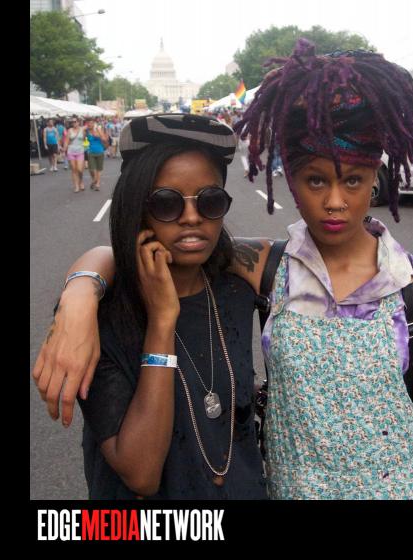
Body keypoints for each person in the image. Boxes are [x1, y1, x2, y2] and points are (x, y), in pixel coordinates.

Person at [33, 40, 413, 500]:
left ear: (375, 178)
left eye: (353, 179)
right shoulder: (271, 268)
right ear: (291, 180)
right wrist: (81, 291)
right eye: (315, 180)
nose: (335, 201)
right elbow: (166, 248)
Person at [33, 113, 267, 499]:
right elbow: (141, 474)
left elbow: (327, 246)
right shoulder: (99, 316)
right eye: (166, 203)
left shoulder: (237, 287)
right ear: (136, 208)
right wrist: (160, 321)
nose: (191, 218)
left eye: (210, 201)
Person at [62, 117, 86, 193]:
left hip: (80, 151)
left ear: (78, 122)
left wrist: (86, 147)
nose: (74, 123)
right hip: (71, 151)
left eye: (75, 122)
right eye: (72, 122)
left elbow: (85, 140)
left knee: (79, 169)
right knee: (74, 169)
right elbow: (66, 141)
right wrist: (64, 149)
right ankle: (76, 186)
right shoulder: (70, 130)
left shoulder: (82, 130)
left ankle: (81, 181)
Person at [85, 119, 109, 190]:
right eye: (88, 123)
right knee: (92, 170)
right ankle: (94, 180)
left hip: (100, 151)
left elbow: (105, 139)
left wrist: (98, 134)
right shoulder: (86, 131)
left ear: (94, 124)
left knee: (98, 169)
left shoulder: (99, 130)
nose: (90, 124)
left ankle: (97, 184)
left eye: (91, 123)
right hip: (91, 152)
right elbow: (85, 140)